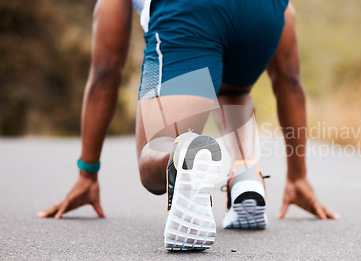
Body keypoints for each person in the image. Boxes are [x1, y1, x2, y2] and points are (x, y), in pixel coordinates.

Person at [37, 0, 339, 251]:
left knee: (156, 154)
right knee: (234, 89)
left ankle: (183, 153)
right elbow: (290, 79)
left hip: (190, 11)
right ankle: (245, 172)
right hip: (265, 11)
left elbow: (105, 73)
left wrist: (87, 173)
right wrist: (298, 177)